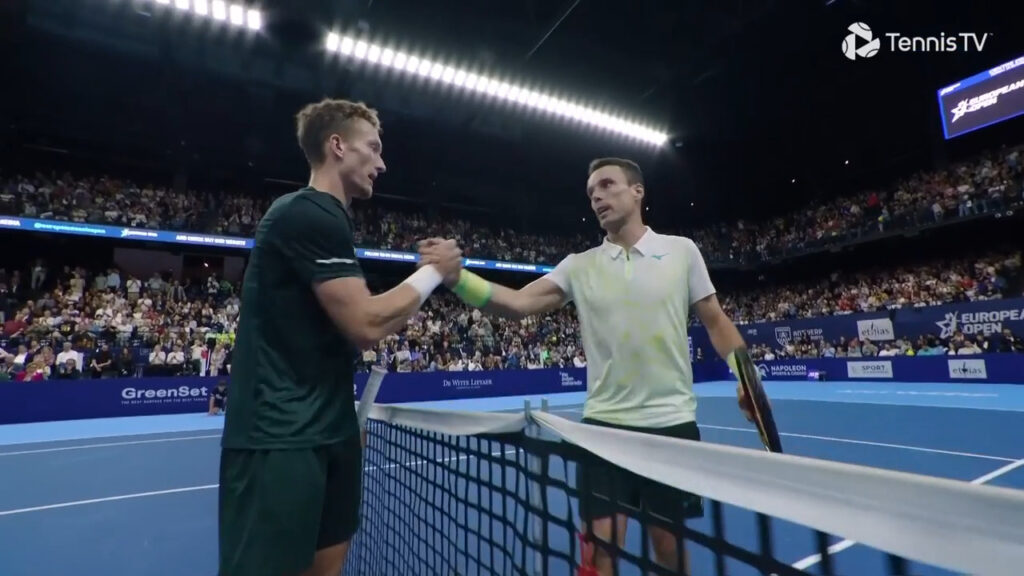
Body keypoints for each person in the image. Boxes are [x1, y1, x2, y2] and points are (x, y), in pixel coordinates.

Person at [420, 157, 754, 576]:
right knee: (598, 556)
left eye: (607, 185)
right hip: (602, 431)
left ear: (637, 191)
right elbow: (519, 304)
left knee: (669, 552)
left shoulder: (682, 251)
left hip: (673, 428)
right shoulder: (579, 266)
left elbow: (716, 320)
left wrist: (746, 377)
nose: (596, 196)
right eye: (591, 191)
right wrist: (457, 279)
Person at [218, 98, 463, 576]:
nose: (382, 161)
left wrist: (341, 421)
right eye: (372, 148)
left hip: (330, 430)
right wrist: (435, 274)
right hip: (280, 439)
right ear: (337, 146)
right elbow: (366, 324)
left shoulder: (332, 221)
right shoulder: (306, 213)